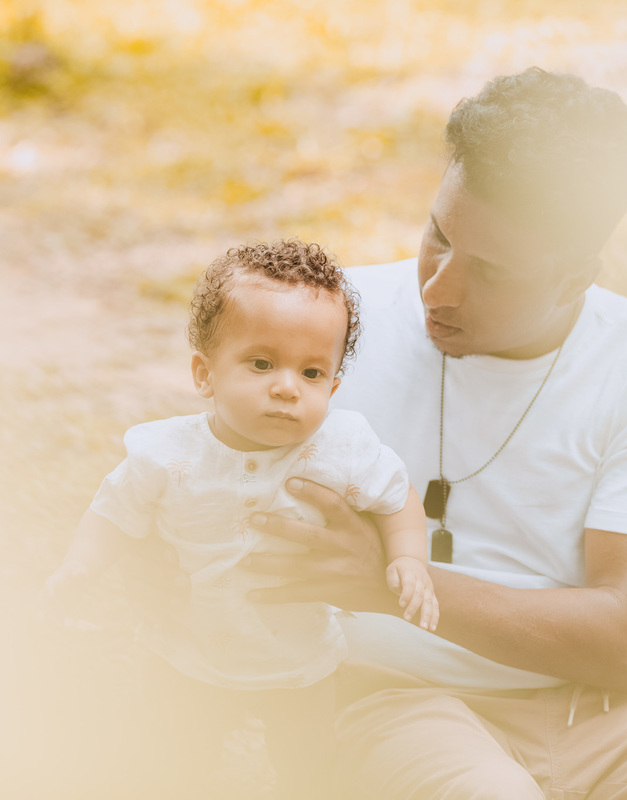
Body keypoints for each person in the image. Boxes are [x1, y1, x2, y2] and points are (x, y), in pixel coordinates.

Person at [239, 68, 627, 798]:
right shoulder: (327, 327)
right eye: (438, 236)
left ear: (577, 277)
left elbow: (622, 644)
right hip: (402, 705)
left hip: (605, 716)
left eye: (491, 271)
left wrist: (388, 578)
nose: (438, 288)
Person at [44, 238, 438, 799]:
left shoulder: (342, 448)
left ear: (333, 386)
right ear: (204, 374)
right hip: (188, 651)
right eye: (261, 364)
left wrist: (409, 559)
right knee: (171, 763)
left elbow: (397, 498)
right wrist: (81, 566)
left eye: (311, 372)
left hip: (300, 660)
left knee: (309, 768)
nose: (286, 387)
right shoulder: (167, 454)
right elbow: (112, 510)